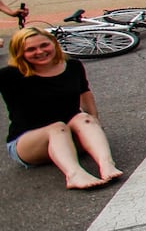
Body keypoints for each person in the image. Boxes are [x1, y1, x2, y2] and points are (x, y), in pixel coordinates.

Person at [1, 28, 122, 190]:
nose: (40, 51)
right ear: (19, 53)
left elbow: (85, 93)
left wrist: (94, 120)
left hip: (71, 134)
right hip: (29, 143)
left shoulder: (72, 66)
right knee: (57, 127)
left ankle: (107, 164)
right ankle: (74, 174)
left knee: (83, 118)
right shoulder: (10, 75)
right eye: (30, 49)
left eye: (44, 45)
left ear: (54, 43)